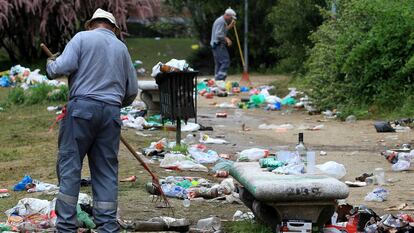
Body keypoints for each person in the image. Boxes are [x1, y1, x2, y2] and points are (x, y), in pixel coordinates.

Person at [46, 8, 138, 233]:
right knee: (106, 171)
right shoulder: (121, 48)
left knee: (70, 166)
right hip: (111, 113)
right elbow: (132, 90)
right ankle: (107, 227)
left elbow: (61, 67)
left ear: (91, 24)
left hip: (81, 111)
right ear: (114, 28)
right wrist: (111, 106)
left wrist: (50, 63)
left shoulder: (82, 38)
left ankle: (66, 227)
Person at [210, 8, 237, 81]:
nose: (231, 19)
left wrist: (229, 27)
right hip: (218, 45)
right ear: (227, 15)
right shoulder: (221, 22)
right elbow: (218, 35)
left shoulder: (221, 21)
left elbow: (222, 31)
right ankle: (219, 80)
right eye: (231, 18)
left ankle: (216, 81)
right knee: (225, 61)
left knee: (218, 64)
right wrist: (227, 39)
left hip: (215, 45)